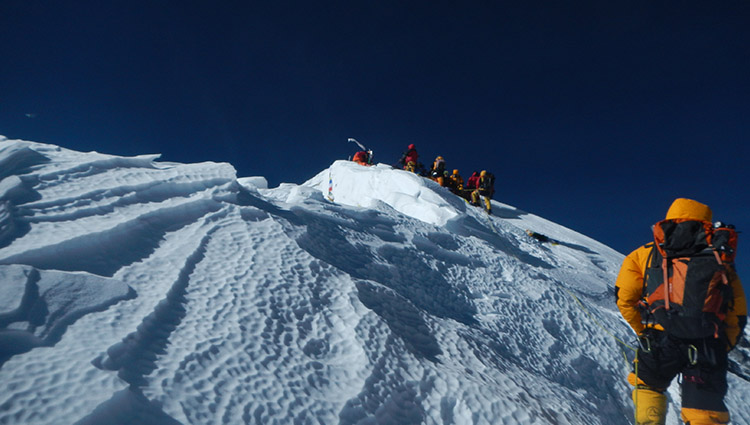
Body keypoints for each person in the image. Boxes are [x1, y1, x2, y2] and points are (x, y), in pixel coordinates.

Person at [615, 198, 747, 425]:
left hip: (660, 338)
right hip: (707, 344)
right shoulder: (719, 256)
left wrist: (643, 330)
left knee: (648, 387)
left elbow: (625, 299)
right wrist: (721, 346)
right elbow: (737, 313)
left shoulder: (643, 255)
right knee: (704, 416)